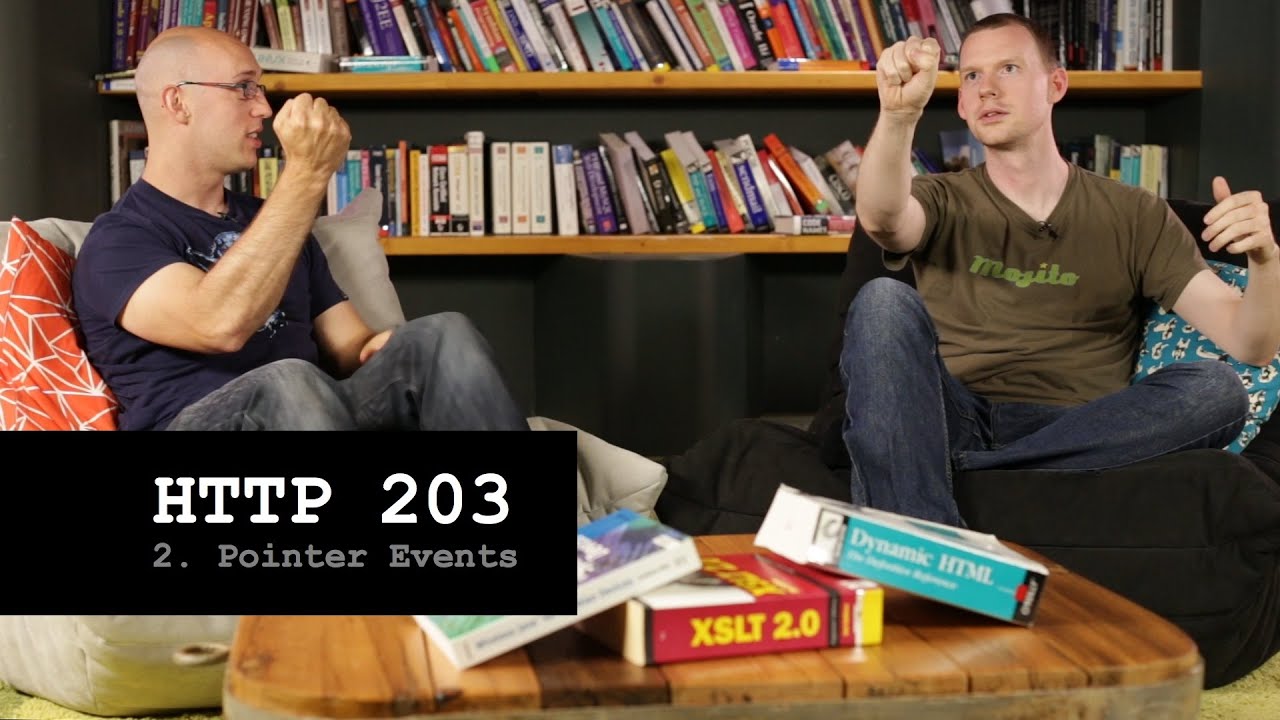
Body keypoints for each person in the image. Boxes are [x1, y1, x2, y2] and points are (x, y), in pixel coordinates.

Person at [844, 13, 1280, 526]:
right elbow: (882, 218)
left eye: (1008, 68)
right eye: (971, 75)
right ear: (960, 103)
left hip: (1087, 426)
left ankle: (967, 477)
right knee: (881, 301)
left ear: (1056, 84)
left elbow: (1251, 344)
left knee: (1217, 389)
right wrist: (898, 115)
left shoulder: (1134, 212)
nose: (986, 89)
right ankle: (921, 537)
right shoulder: (938, 198)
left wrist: (1266, 260)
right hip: (951, 415)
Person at [72, 26, 529, 432]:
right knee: (289, 379)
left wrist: (393, 351)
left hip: (314, 408)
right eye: (244, 88)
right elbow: (218, 325)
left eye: (259, 89)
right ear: (179, 102)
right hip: (201, 429)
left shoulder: (273, 219)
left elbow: (350, 345)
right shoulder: (119, 240)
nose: (264, 109)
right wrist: (307, 173)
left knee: (442, 334)